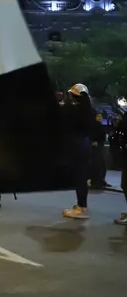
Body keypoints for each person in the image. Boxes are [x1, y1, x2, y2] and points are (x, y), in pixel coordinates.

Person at [63, 84, 98, 220]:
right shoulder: (90, 111)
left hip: (76, 144)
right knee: (81, 176)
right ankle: (81, 205)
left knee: (79, 177)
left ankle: (81, 207)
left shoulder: (72, 110)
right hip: (85, 143)